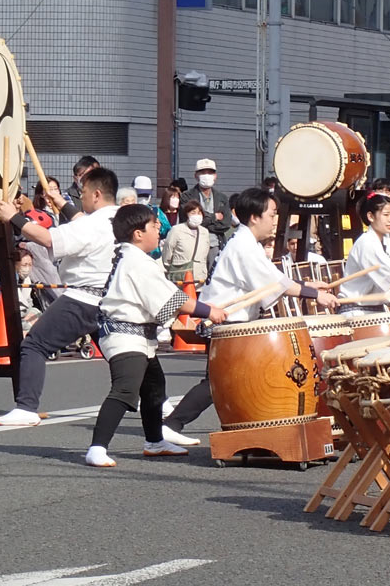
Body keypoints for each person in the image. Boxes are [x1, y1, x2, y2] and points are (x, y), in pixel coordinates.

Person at [161, 188, 339, 445]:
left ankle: (241, 429)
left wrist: (308, 285)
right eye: (272, 214)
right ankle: (171, 424)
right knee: (217, 383)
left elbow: (275, 280)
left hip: (232, 322)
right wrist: (313, 294)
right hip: (225, 321)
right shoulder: (243, 246)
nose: (275, 220)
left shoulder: (247, 243)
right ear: (254, 217)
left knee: (228, 382)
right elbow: (273, 284)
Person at [84, 204, 228, 467]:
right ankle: (97, 447)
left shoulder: (133, 258)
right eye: (154, 226)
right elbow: (172, 300)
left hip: (137, 335)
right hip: (123, 335)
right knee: (125, 390)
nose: (159, 229)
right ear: (138, 233)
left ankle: (154, 441)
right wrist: (210, 311)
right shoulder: (137, 262)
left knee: (154, 388)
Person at [0, 167, 119, 426]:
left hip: (83, 299)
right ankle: (156, 401)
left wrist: (13, 217)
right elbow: (80, 221)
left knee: (34, 344)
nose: (79, 198)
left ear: (95, 194)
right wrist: (59, 202)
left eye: (82, 193)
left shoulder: (92, 225)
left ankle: (26, 407)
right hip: (111, 299)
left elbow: (47, 238)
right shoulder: (120, 218)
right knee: (121, 355)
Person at [183, 159, 230, 273]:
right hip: (193, 243)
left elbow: (226, 224)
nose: (206, 176)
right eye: (203, 172)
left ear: (215, 176)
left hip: (215, 244)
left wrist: (202, 221)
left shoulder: (222, 198)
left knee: (214, 277)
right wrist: (214, 217)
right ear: (196, 175)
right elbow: (188, 220)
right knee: (194, 278)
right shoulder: (187, 197)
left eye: (210, 172)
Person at [161, 200, 211, 284]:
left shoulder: (205, 232)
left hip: (199, 278)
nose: (196, 215)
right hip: (180, 277)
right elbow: (168, 251)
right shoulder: (176, 230)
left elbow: (205, 254)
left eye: (199, 213)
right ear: (187, 214)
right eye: (193, 212)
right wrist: (170, 267)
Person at [15, 249, 43, 335]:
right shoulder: (10, 280)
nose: (27, 268)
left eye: (30, 265)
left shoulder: (27, 280)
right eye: (24, 264)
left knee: (37, 313)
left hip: (25, 316)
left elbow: (29, 302)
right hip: (14, 317)